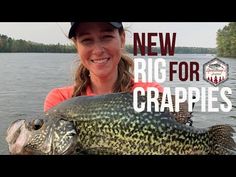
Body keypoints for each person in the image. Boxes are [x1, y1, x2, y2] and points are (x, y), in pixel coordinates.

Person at [44, 22, 163, 112]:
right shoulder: (59, 101)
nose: (98, 50)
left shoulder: (149, 93)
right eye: (87, 40)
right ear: (76, 46)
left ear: (122, 39)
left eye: (106, 37)